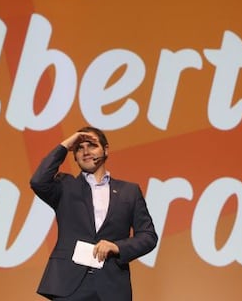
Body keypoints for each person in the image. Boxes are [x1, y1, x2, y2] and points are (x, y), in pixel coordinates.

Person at [30, 126, 158, 301]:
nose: (86, 151)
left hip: (111, 286)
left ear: (106, 150)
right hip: (70, 286)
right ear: (74, 156)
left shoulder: (129, 191)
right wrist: (65, 145)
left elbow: (148, 236)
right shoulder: (65, 186)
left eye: (92, 145)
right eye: (79, 148)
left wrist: (117, 247)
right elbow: (38, 181)